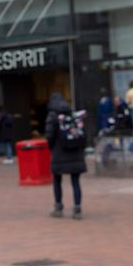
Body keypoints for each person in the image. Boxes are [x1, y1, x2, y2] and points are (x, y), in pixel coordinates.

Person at [45, 92, 86, 220]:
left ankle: (58, 207)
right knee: (75, 181)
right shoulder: (72, 114)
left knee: (57, 180)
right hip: (75, 152)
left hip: (59, 153)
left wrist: (51, 147)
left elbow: (49, 136)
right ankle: (77, 208)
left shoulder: (52, 115)